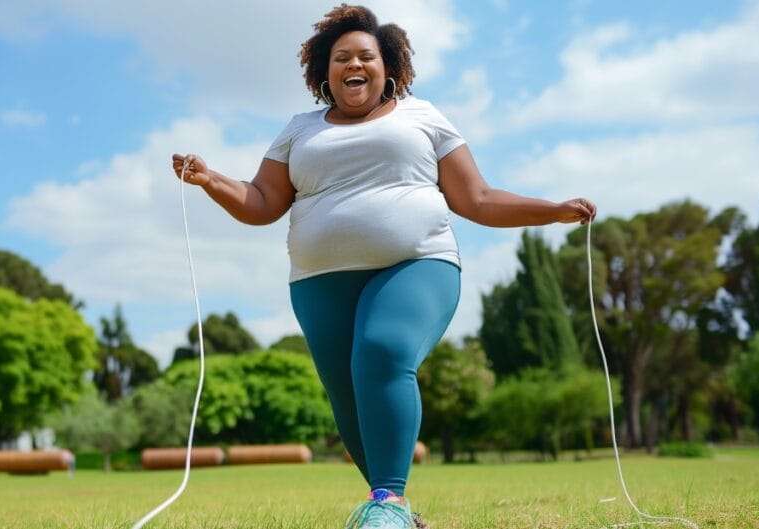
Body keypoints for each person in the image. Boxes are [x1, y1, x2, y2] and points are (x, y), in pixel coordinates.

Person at [171, 5, 596, 529]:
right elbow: (260, 202)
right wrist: (211, 180)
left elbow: (478, 198)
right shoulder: (298, 130)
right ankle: (392, 508)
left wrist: (552, 210)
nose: (354, 64)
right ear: (324, 73)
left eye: (365, 56)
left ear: (387, 65)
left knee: (382, 350)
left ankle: (388, 502)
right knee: (347, 392)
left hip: (415, 263)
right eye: (341, 57)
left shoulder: (422, 116)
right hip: (318, 281)